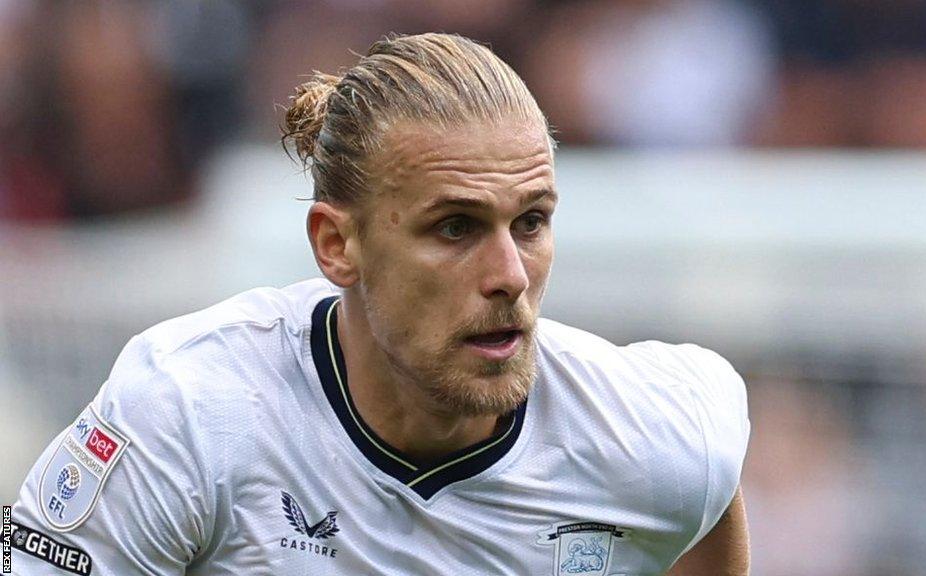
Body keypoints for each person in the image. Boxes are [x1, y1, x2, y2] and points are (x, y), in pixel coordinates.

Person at [10, 33, 750, 575]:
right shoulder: (188, 416)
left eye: (531, 222)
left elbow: (706, 499)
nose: (509, 276)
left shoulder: (657, 435)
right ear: (337, 245)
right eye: (455, 227)